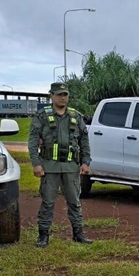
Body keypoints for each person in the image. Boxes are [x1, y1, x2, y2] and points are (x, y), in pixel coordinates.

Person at [28, 82, 93, 247]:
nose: (63, 97)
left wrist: (85, 161)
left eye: (65, 94)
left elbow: (84, 141)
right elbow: (33, 140)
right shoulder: (42, 116)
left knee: (74, 201)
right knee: (48, 202)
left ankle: (78, 234)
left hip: (71, 166)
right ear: (51, 95)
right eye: (59, 94)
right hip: (49, 167)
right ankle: (43, 236)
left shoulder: (75, 116)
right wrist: (36, 163)